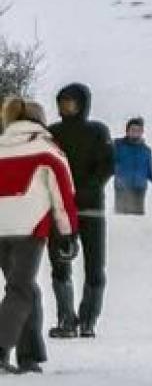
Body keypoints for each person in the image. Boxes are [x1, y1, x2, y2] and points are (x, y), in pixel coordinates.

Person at [0, 99, 78, 375]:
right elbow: (63, 196)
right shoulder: (47, 151)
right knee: (20, 289)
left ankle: (29, 355)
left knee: (24, 287)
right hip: (29, 230)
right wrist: (68, 234)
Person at [46, 83, 111, 339]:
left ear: (83, 103)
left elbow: (107, 165)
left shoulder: (97, 130)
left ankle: (89, 320)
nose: (65, 106)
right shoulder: (51, 132)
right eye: (62, 102)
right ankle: (66, 319)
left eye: (71, 101)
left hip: (91, 208)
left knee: (95, 266)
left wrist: (88, 189)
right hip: (60, 209)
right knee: (60, 264)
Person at [110, 117, 152, 217]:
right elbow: (107, 163)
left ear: (142, 132)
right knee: (122, 220)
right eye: (133, 130)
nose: (135, 132)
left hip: (139, 190)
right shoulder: (118, 146)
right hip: (122, 189)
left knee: (137, 221)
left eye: (138, 130)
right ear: (127, 131)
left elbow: (149, 171)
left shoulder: (146, 151)